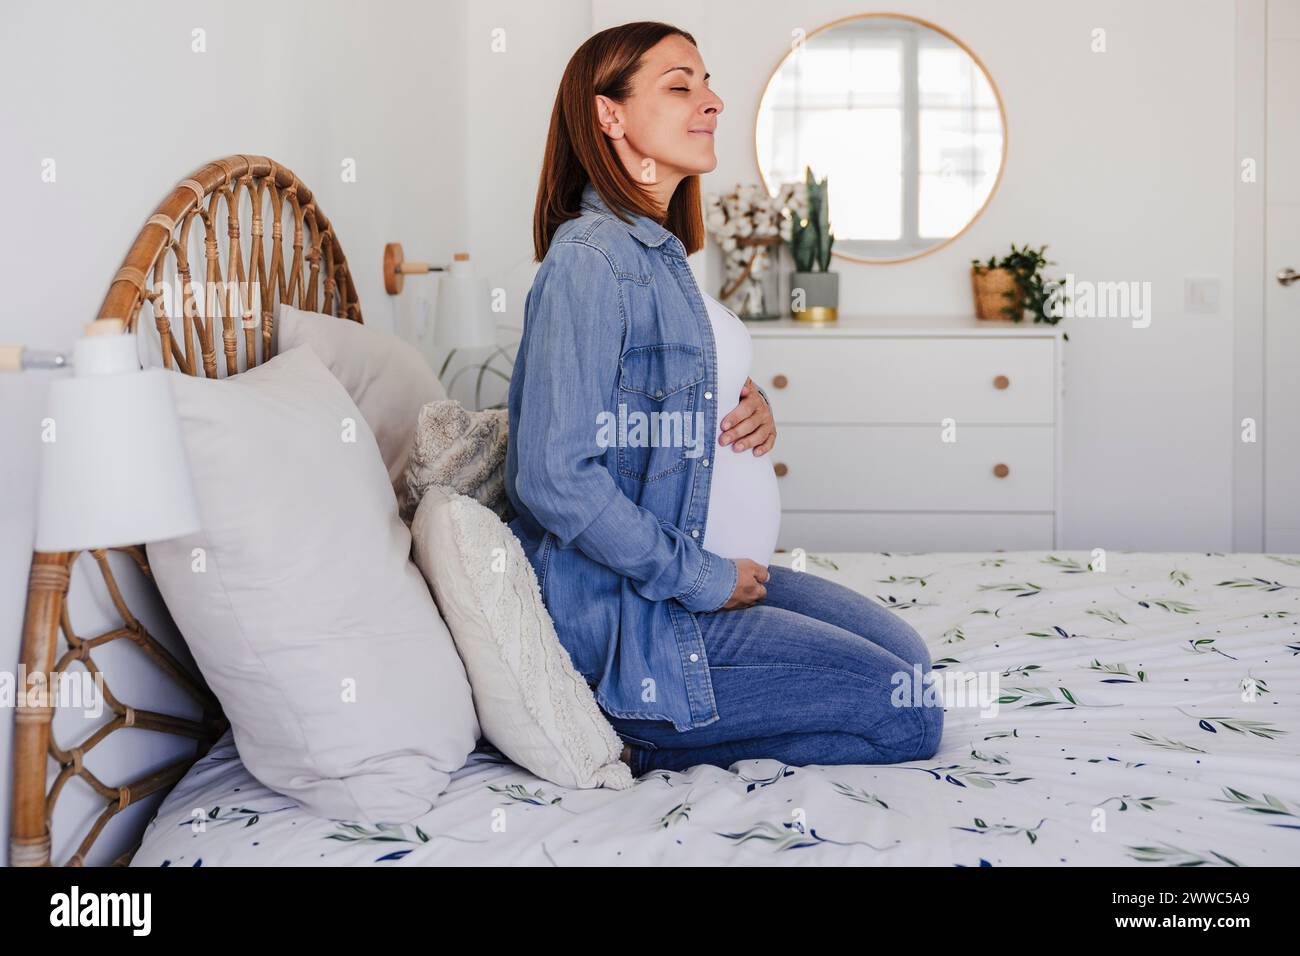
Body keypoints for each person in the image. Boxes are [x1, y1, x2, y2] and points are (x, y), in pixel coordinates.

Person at [505, 20, 942, 776]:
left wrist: (746, 404)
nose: (711, 101)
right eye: (681, 86)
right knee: (911, 716)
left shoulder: (659, 252)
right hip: (647, 622)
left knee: (909, 655)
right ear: (609, 114)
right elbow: (553, 475)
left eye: (706, 84)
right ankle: (643, 736)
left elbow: (661, 395)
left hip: (705, 564)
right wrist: (701, 578)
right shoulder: (590, 260)